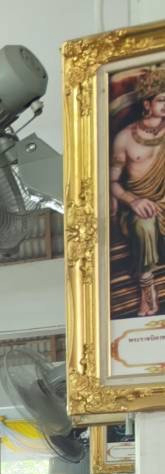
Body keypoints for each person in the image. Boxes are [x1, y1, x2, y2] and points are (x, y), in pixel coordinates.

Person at [114, 67, 165, 315]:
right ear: (148, 103)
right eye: (162, 99)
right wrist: (132, 200)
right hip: (138, 206)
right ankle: (148, 288)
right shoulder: (125, 138)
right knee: (145, 223)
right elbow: (111, 182)